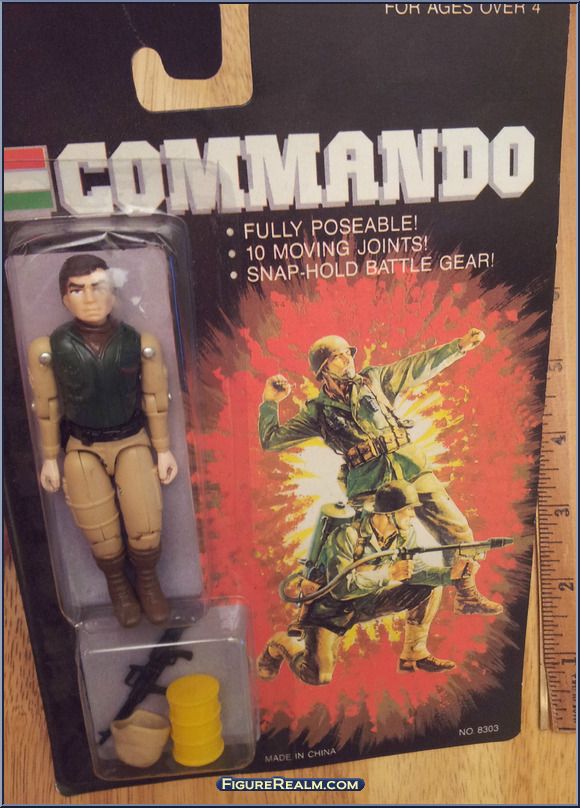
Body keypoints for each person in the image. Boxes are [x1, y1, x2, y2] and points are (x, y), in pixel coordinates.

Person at [259, 330, 496, 598]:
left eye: (348, 353)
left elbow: (416, 367)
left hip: (411, 468)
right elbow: (271, 440)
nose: (347, 359)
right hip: (370, 483)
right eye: (337, 357)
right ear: (323, 369)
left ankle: (466, 595)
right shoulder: (317, 411)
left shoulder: (374, 379)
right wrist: (270, 402)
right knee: (364, 549)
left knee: (457, 528)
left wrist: (459, 346)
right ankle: (333, 600)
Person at [28, 254, 178, 628]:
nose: (90, 298)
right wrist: (50, 457)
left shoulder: (138, 343)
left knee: (145, 521)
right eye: (78, 290)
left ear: (114, 292)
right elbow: (47, 406)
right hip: (82, 448)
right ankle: (117, 585)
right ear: (64, 298)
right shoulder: (50, 348)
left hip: (131, 441)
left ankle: (148, 581)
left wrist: (162, 449)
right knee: (100, 532)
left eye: (99, 287)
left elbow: (155, 399)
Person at [257, 481, 500, 686]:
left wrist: (450, 575)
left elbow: (415, 571)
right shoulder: (346, 535)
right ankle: (280, 643)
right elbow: (340, 588)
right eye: (407, 510)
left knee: (429, 587)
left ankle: (414, 653)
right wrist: (389, 574)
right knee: (318, 676)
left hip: (369, 602)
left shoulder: (405, 534)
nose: (412, 515)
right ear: (387, 513)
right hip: (331, 610)